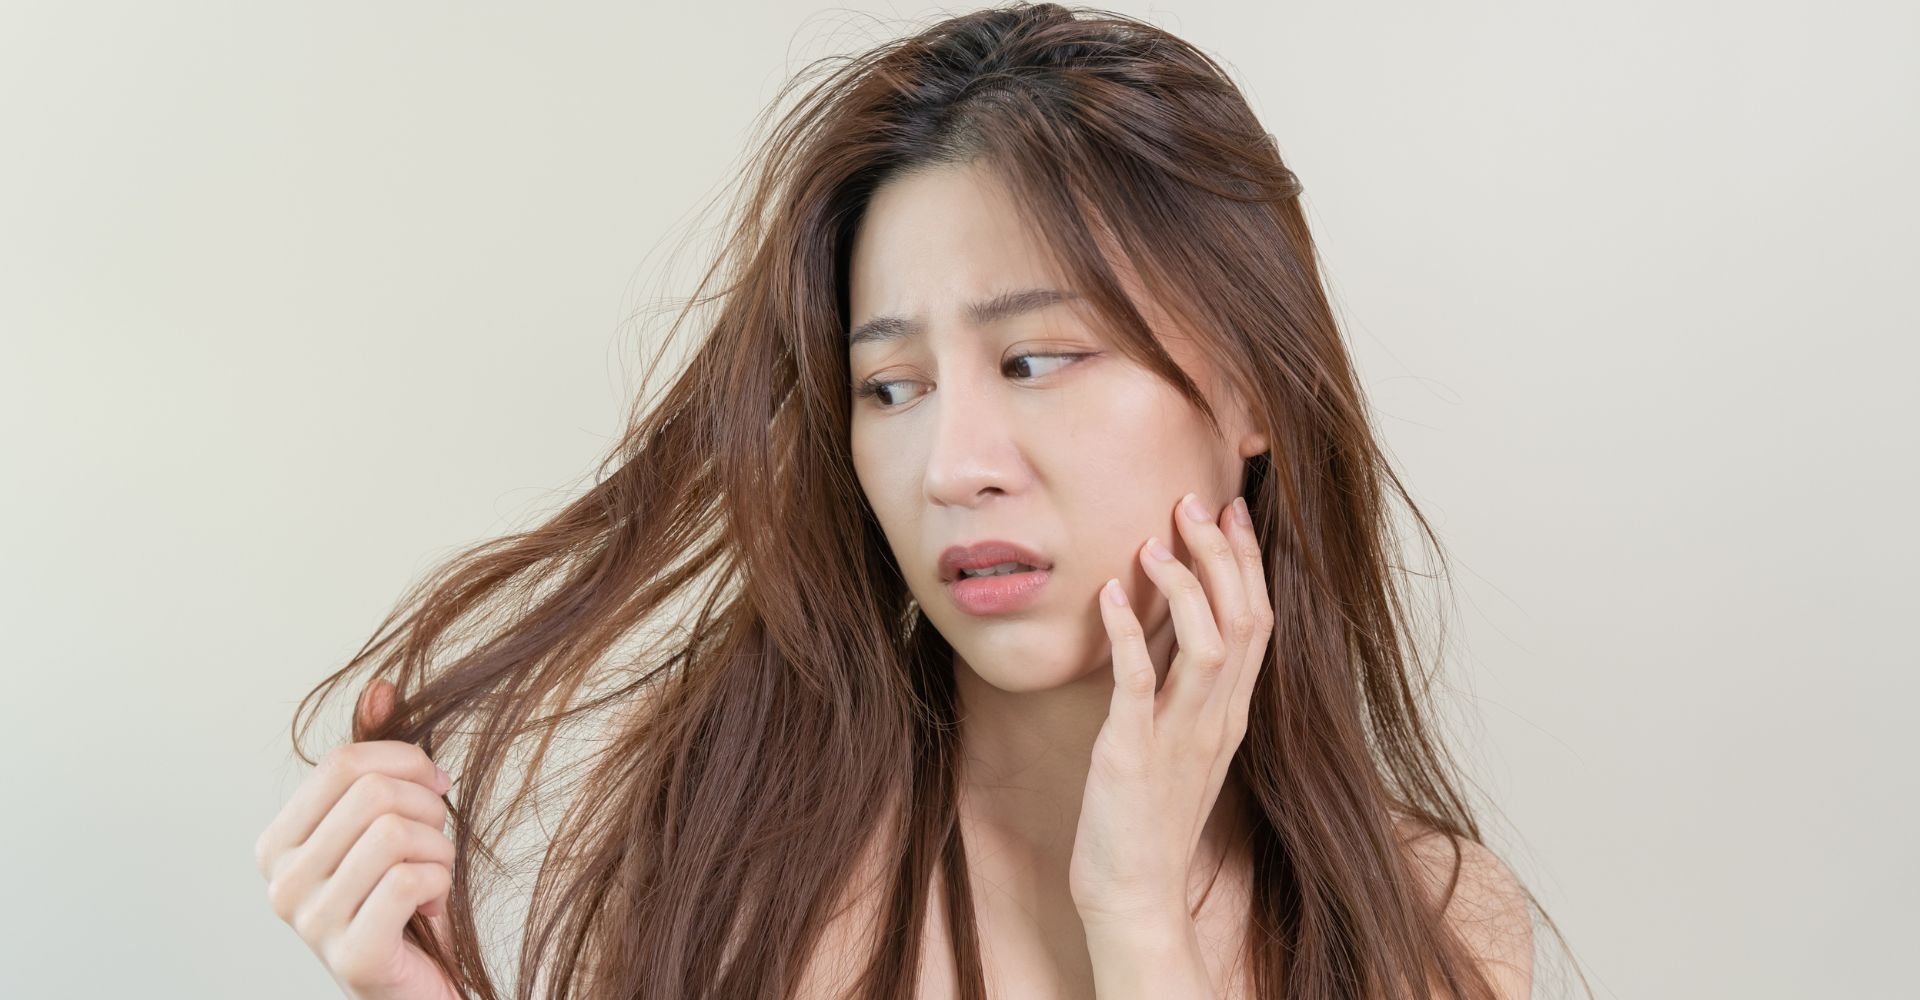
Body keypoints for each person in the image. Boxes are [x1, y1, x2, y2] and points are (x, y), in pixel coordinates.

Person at [255, 4, 1589, 998]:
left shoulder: (1429, 923)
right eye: (890, 386)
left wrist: (1136, 915)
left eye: (1035, 361)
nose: (955, 465)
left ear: (1251, 395)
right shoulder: (737, 885)